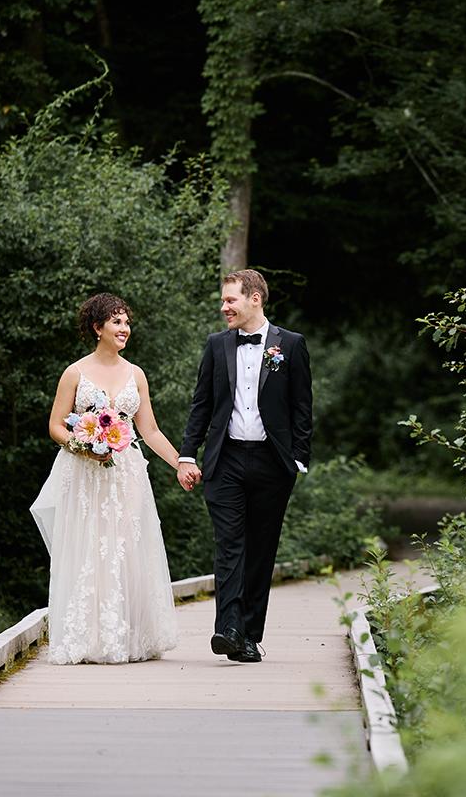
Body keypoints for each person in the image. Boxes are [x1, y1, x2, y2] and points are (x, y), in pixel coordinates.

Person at [30, 293, 180, 664]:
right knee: (90, 547)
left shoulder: (136, 374)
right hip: (85, 473)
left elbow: (151, 430)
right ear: (98, 328)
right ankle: (90, 637)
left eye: (126, 322)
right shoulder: (75, 373)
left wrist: (182, 463)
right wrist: (82, 444)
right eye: (116, 322)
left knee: (124, 546)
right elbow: (54, 425)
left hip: (126, 474)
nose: (124, 328)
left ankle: (128, 635)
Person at [176, 269, 312, 664]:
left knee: (261, 549)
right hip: (227, 460)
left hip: (273, 462)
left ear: (255, 299)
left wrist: (297, 460)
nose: (224, 307)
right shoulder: (216, 345)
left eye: (230, 300)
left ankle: (250, 635)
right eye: (223, 300)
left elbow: (303, 408)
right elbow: (201, 403)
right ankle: (229, 629)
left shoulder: (291, 344)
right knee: (229, 545)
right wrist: (188, 453)